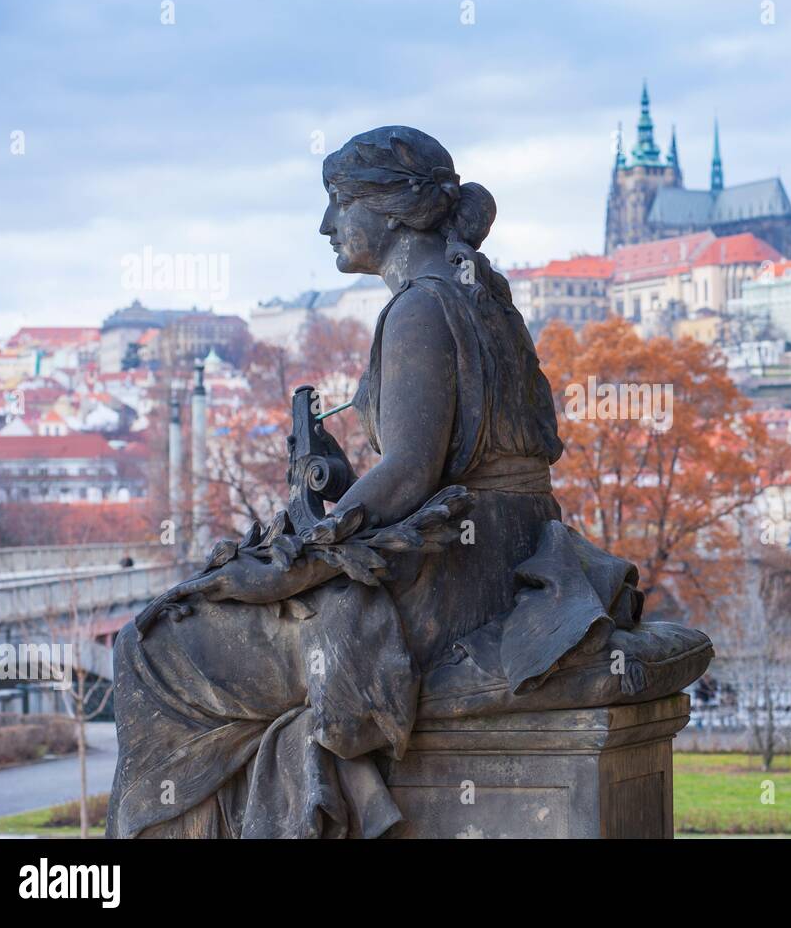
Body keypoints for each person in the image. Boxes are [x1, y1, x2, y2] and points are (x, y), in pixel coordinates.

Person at [107, 127, 710, 839]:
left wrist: (306, 549)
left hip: (449, 592)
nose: (327, 224)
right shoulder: (481, 294)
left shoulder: (421, 306)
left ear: (392, 211)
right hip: (509, 554)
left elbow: (411, 473)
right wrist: (341, 485)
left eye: (339, 202)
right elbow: (441, 474)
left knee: (149, 649)